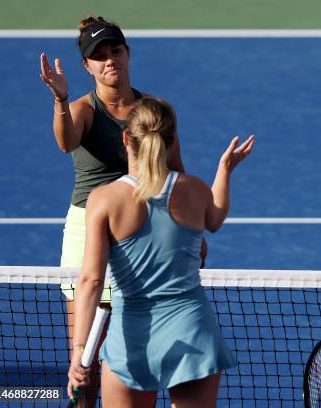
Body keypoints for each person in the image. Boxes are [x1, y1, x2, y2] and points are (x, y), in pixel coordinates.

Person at [40, 16, 197, 406]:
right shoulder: (82, 109)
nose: (110, 61)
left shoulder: (153, 112)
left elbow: (176, 174)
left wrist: (193, 232)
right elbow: (66, 142)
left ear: (127, 53)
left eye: (115, 51)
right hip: (87, 228)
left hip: (141, 231)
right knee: (84, 360)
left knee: (134, 352)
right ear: (87, 67)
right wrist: (60, 99)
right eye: (100, 56)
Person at [67, 97, 254, 407]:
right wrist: (225, 170)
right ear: (171, 141)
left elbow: (90, 281)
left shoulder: (103, 200)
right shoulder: (195, 190)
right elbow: (215, 218)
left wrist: (80, 352)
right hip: (193, 336)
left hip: (130, 344)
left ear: (126, 138)